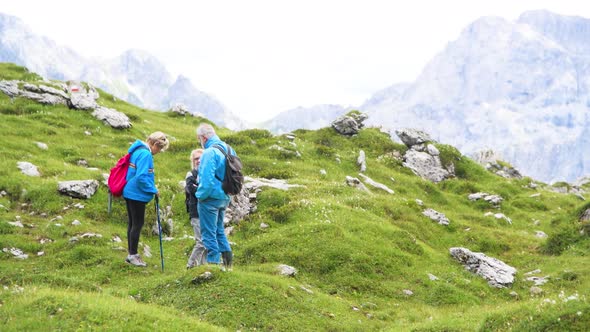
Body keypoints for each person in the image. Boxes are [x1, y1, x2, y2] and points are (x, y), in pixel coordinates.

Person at [122, 131, 169, 267]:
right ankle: (133, 255)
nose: (159, 152)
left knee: (132, 223)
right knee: (137, 224)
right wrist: (153, 190)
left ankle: (131, 253)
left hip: (129, 191)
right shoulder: (145, 154)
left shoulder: (137, 150)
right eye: (159, 148)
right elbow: (141, 177)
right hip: (137, 194)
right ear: (154, 144)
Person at [195, 123, 234, 270]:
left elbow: (206, 179)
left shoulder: (209, 152)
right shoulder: (228, 149)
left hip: (210, 198)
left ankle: (213, 265)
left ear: (203, 138)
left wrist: (200, 196)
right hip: (225, 197)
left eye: (199, 139)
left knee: (208, 232)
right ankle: (228, 265)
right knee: (219, 230)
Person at [186, 148, 207, 269]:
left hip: (208, 211)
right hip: (196, 212)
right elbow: (191, 189)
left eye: (201, 158)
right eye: (196, 159)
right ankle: (190, 265)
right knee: (201, 242)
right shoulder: (190, 175)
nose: (198, 160)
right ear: (193, 161)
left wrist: (199, 187)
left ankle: (204, 266)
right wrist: (204, 189)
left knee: (208, 240)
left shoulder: (208, 173)